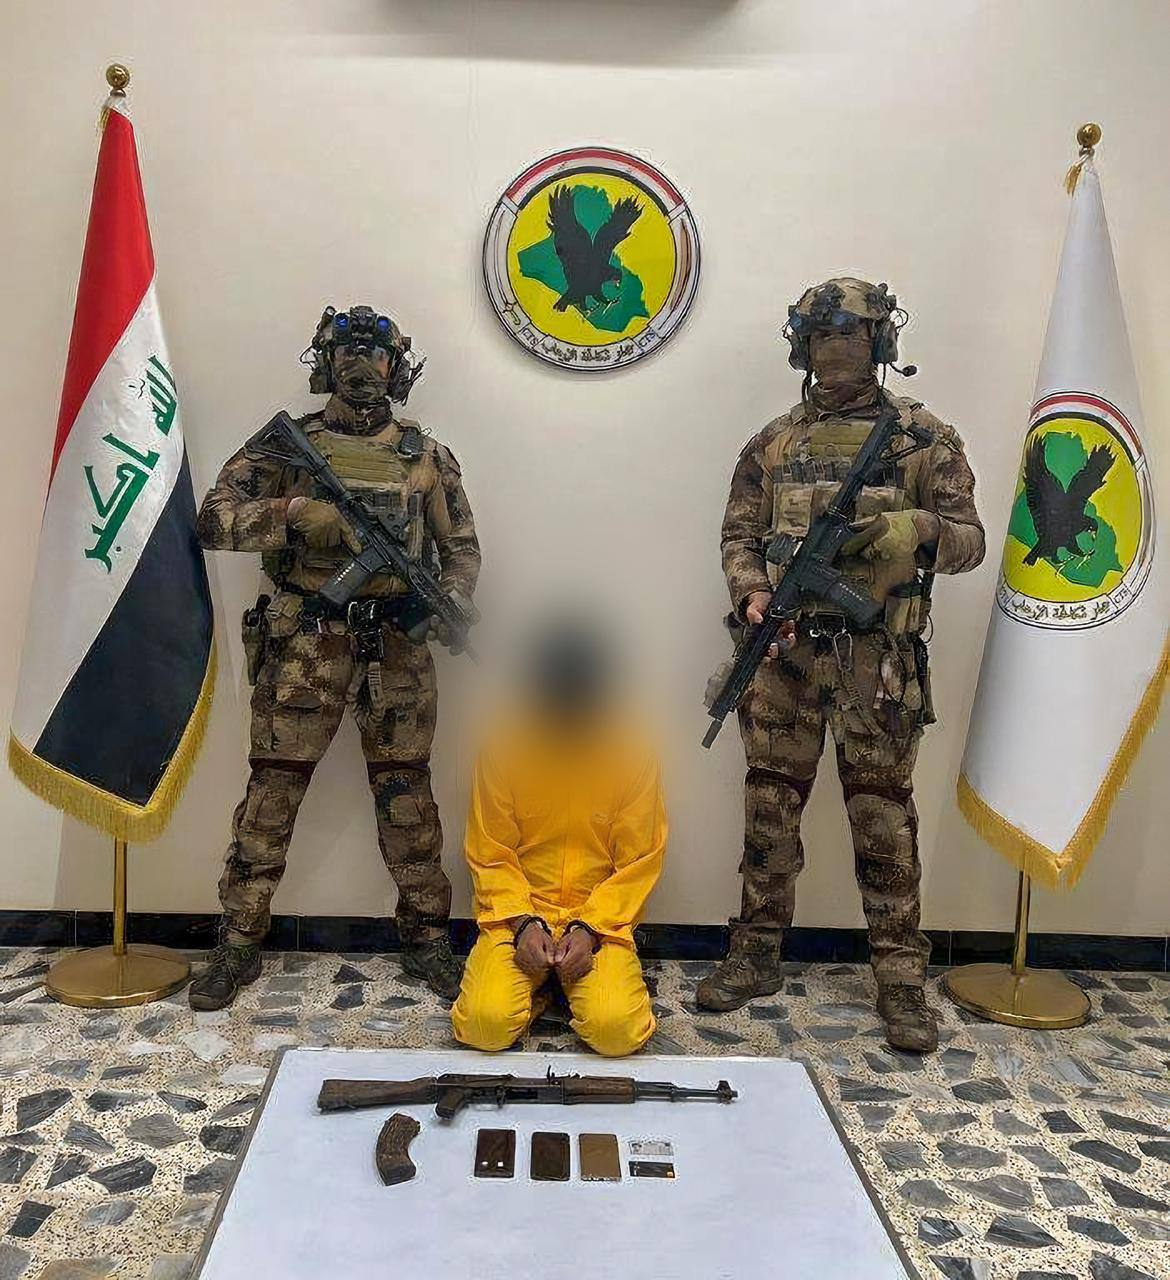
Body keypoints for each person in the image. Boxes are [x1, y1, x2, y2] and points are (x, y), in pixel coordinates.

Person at [697, 278, 985, 1052]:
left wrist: (917, 527)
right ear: (802, 348)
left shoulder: (922, 440)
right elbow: (739, 537)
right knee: (768, 809)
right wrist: (753, 593)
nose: (836, 353)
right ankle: (756, 952)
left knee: (883, 819)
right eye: (823, 339)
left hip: (876, 663)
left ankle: (900, 977)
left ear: (881, 343)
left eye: (851, 337)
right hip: (785, 657)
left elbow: (970, 541)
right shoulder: (772, 444)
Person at [190, 305, 480, 1009]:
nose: (361, 366)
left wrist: (451, 599)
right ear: (325, 363)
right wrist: (292, 516)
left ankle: (427, 938)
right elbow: (211, 519)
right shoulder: (286, 448)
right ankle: (238, 941)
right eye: (347, 352)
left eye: (375, 354)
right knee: (272, 793)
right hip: (305, 645)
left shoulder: (427, 456)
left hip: (397, 650)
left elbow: (462, 548)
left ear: (396, 368)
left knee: (407, 796)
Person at [452, 620, 667, 1057]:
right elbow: (490, 853)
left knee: (616, 1032)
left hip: (599, 923)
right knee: (483, 1027)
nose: (568, 710)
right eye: (558, 696)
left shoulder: (632, 753)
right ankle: (547, 988)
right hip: (516, 916)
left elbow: (638, 862)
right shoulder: (503, 748)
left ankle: (554, 983)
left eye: (579, 696)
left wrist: (589, 930)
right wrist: (524, 924)